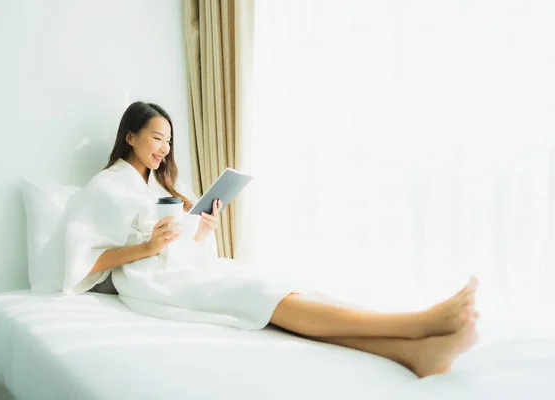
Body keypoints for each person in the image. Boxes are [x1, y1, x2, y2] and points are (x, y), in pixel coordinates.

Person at [62, 101, 480, 378]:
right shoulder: (106, 186)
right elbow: (84, 261)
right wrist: (147, 249)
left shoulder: (164, 184)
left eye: (169, 140)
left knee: (279, 294)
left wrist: (203, 230)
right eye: (157, 137)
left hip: (189, 267)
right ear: (130, 136)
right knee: (263, 296)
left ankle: (412, 354)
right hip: (153, 281)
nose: (165, 147)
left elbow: (183, 243)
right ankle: (417, 323)